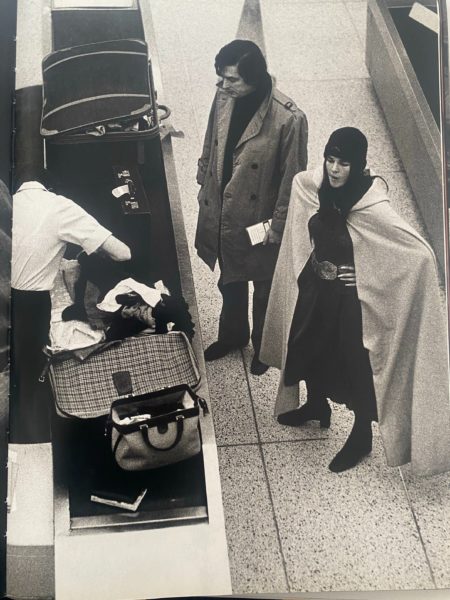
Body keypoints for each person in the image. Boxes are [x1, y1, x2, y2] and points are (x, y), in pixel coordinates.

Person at [261, 127, 450, 476]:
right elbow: (302, 184)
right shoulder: (318, 186)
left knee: (355, 365)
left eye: (343, 163)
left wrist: (359, 273)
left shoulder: (371, 206)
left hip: (350, 301)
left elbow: (419, 254)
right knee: (307, 347)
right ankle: (317, 407)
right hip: (317, 289)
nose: (334, 169)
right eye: (330, 160)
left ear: (358, 165)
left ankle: (362, 436)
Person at [195, 39, 308, 375]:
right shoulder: (224, 96)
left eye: (232, 80)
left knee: (262, 287)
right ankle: (232, 335)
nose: (224, 85)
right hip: (224, 207)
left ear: (254, 79)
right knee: (228, 279)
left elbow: (293, 178)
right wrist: (204, 174)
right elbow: (211, 137)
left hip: (258, 219)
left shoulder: (289, 119)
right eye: (222, 78)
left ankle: (263, 346)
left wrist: (278, 225)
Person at [10, 178, 131, 443]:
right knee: (30, 381)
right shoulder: (58, 206)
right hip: (31, 306)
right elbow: (123, 253)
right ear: (50, 187)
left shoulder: (9, 203)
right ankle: (35, 441)